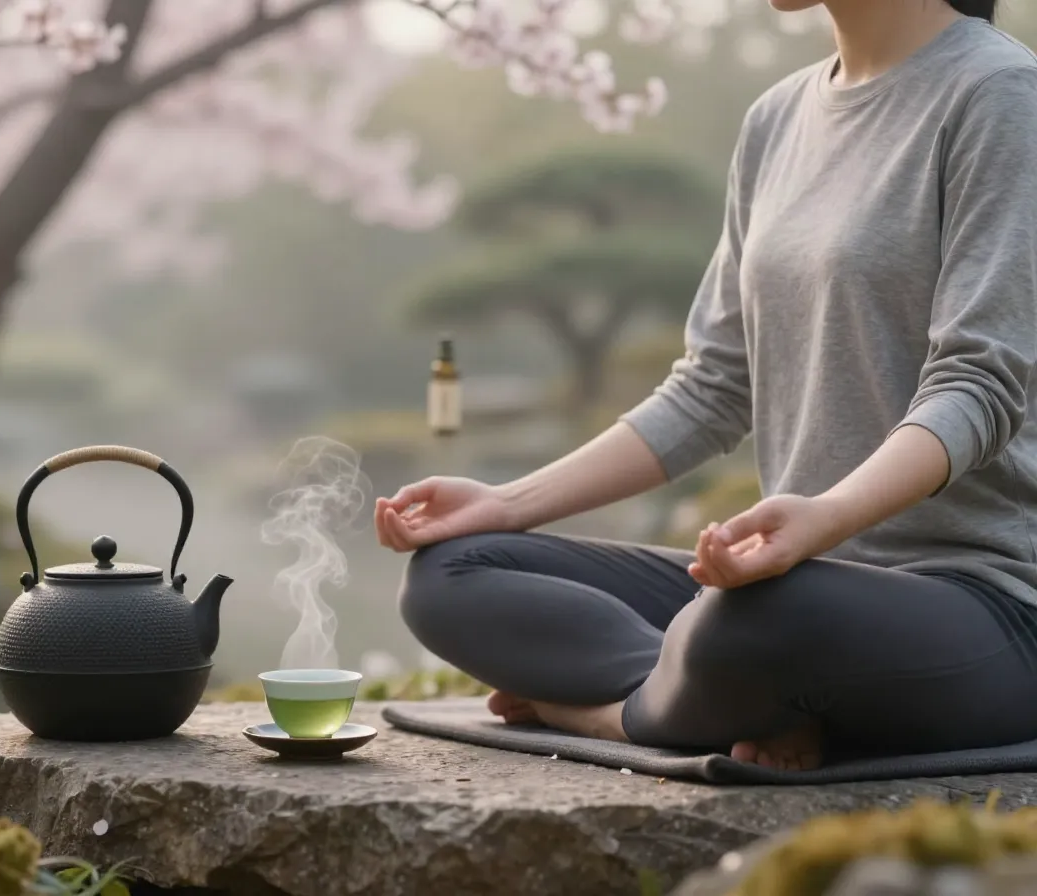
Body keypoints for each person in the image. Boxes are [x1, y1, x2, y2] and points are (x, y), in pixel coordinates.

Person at [375, 0, 1037, 771]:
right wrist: (507, 502)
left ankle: (609, 715)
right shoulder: (777, 119)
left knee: (749, 625)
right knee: (452, 573)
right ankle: (735, 700)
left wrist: (825, 518)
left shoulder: (998, 96)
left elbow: (978, 385)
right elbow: (714, 386)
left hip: (982, 607)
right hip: (787, 582)